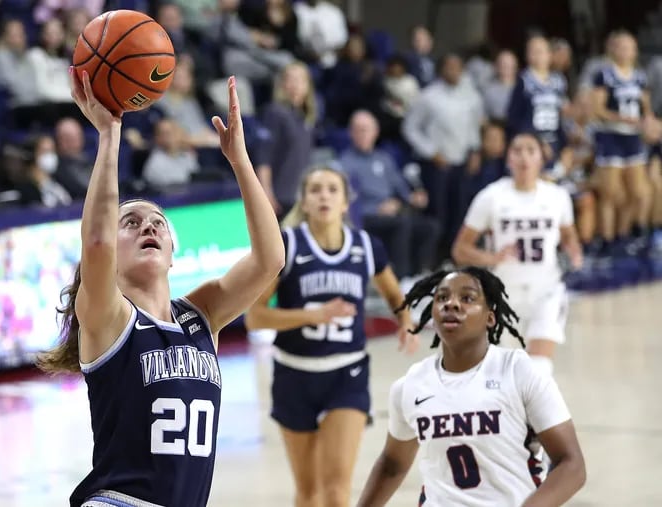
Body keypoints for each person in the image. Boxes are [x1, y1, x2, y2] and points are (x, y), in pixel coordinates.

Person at [36, 71, 285, 507]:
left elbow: (270, 261)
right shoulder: (108, 318)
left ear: (172, 252)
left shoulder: (199, 316)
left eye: (157, 223)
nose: (148, 225)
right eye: (130, 223)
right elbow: (95, 241)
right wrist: (110, 135)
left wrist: (240, 161)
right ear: (112, 252)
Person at [245, 166, 420, 507]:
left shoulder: (366, 247)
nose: (323, 195)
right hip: (294, 374)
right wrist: (313, 315)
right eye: (315, 190)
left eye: (331, 189)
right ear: (304, 202)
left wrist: (406, 321)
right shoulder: (286, 245)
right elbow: (255, 317)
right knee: (309, 492)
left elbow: (395, 295)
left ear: (344, 203)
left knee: (337, 492)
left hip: (347, 374)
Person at [357, 267, 586, 507]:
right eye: (442, 298)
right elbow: (393, 465)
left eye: (467, 298)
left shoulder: (518, 371)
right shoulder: (410, 386)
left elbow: (572, 465)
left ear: (490, 317)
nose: (451, 304)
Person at [451, 132, 583, 377]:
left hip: (547, 289)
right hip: (504, 292)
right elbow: (460, 250)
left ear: (541, 157)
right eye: (517, 151)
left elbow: (568, 235)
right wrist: (492, 258)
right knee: (504, 372)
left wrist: (574, 251)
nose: (524, 157)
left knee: (539, 367)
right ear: (508, 158)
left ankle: (537, 416)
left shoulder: (557, 197)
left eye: (530, 150)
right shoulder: (490, 197)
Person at [591, 30, 654, 255]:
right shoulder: (604, 75)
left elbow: (646, 109)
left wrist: (649, 122)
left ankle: (629, 233)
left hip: (633, 137)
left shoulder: (639, 76)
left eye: (630, 47)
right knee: (610, 193)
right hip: (611, 136)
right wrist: (621, 118)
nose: (626, 51)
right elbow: (597, 109)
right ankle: (608, 239)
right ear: (613, 49)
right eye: (622, 46)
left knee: (638, 192)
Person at [506, 34, 569, 177]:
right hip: (530, 145)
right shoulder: (523, 81)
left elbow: (560, 117)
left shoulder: (558, 81)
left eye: (540, 51)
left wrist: (566, 145)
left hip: (554, 141)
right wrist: (536, 142)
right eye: (532, 51)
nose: (537, 55)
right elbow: (515, 119)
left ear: (549, 55)